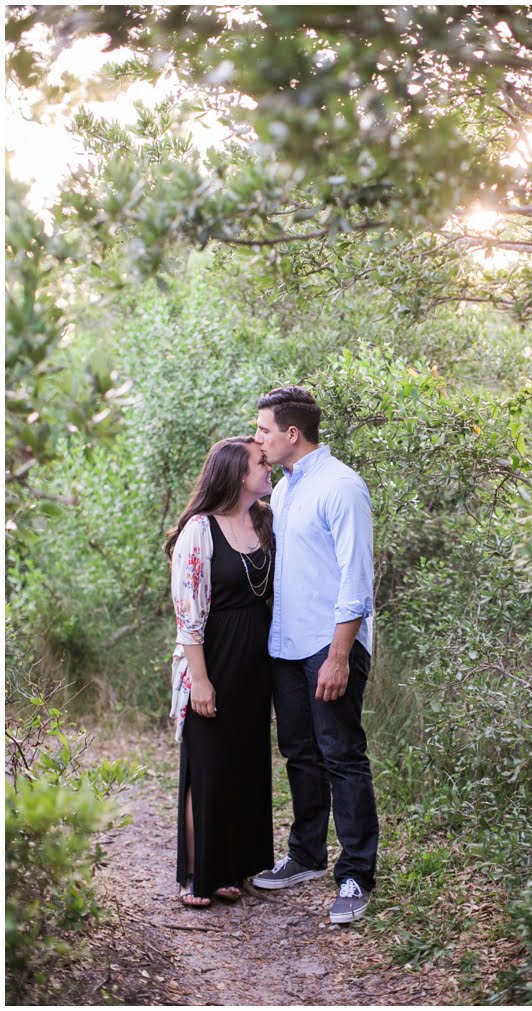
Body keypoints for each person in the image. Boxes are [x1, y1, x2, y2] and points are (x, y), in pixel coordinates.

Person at [249, 385, 379, 924]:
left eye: (263, 431)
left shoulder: (341, 486)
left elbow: (357, 579)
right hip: (286, 645)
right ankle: (305, 855)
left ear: (292, 434)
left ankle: (355, 875)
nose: (258, 440)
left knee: (341, 756)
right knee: (300, 755)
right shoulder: (283, 490)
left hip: (330, 647)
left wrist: (340, 655)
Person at [167, 436, 276, 908]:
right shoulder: (200, 530)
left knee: (245, 765)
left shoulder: (266, 521)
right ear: (236, 473)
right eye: (260, 461)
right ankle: (199, 874)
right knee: (207, 768)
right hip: (213, 659)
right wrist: (202, 680)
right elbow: (187, 615)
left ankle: (234, 868)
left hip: (259, 664)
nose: (268, 467)